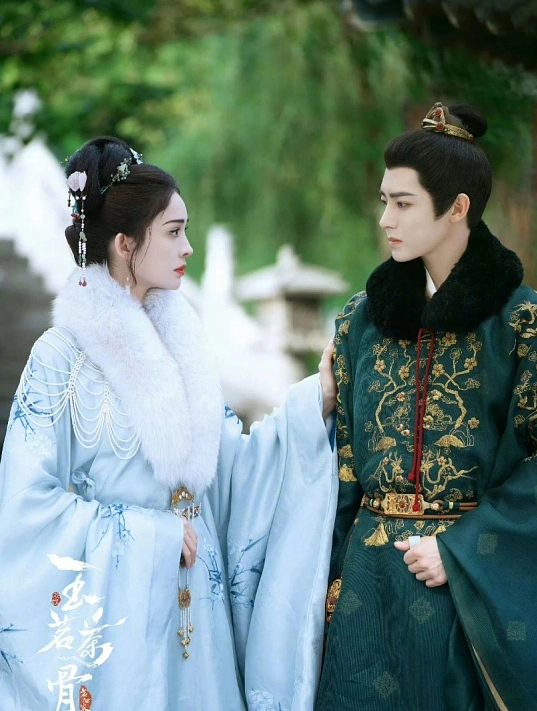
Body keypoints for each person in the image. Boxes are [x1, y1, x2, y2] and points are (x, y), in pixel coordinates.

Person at [0, 136, 338, 711]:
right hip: (117, 635)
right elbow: (24, 510)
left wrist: (315, 404)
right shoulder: (60, 357)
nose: (188, 246)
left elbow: (232, 470)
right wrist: (152, 537)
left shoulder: (183, 347)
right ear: (125, 243)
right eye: (174, 232)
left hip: (198, 623)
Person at [316, 102, 537, 711]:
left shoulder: (522, 323)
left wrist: (461, 551)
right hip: (365, 591)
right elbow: (342, 466)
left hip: (465, 585)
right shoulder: (360, 321)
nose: (385, 218)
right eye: (383, 201)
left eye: (403, 203)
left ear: (457, 207)